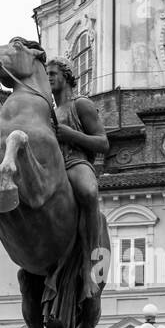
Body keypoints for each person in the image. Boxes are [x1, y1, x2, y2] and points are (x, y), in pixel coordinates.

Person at [46, 57, 110, 299]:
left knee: (88, 192)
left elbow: (103, 143)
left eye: (53, 73)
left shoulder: (81, 104)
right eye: (47, 74)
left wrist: (71, 134)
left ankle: (90, 262)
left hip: (75, 162)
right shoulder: (47, 112)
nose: (49, 77)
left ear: (67, 76)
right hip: (52, 169)